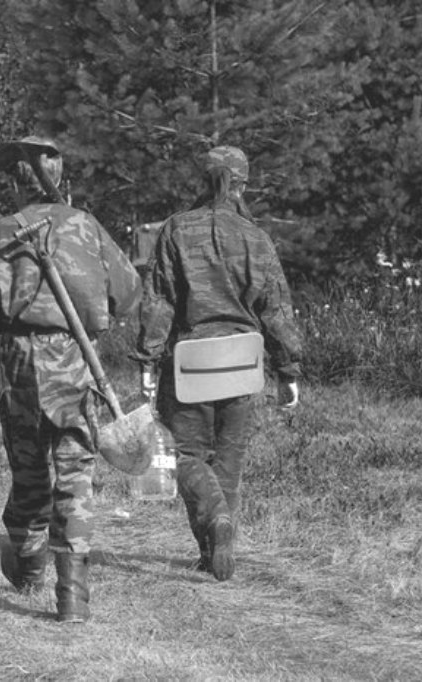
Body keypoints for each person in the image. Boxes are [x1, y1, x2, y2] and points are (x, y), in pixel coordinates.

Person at [0, 137, 141, 623]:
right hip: (77, 359)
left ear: (16, 181)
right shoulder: (86, 224)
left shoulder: (7, 227)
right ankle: (73, 598)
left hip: (23, 360)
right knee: (75, 476)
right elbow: (128, 292)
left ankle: (27, 566)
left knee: (29, 468)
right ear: (59, 176)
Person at [133, 146, 303, 581]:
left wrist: (147, 361)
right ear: (243, 185)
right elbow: (276, 310)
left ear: (203, 181)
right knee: (229, 463)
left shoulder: (176, 229)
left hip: (190, 364)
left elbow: (160, 301)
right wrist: (287, 370)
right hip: (242, 364)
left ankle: (214, 524)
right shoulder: (256, 237)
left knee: (187, 456)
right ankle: (217, 548)